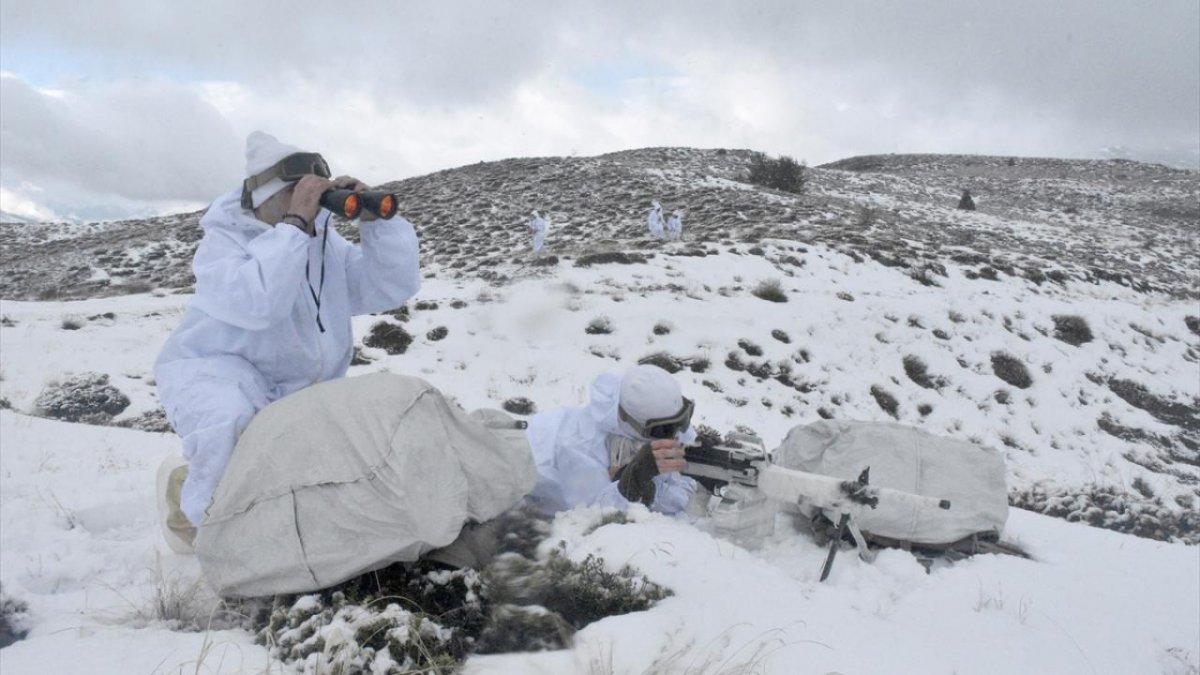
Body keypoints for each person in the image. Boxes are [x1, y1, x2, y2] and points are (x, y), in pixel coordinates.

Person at [154, 131, 421, 533]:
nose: (310, 204)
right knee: (233, 430)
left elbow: (387, 287)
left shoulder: (321, 245)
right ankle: (215, 539)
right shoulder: (223, 244)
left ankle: (196, 491)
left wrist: (376, 223)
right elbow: (258, 304)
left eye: (313, 194)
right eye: (296, 194)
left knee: (311, 468)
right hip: (213, 371)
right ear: (265, 198)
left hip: (298, 382)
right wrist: (295, 225)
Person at [524, 364, 699, 515]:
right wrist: (631, 485)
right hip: (530, 502)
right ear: (624, 417)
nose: (676, 434)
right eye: (664, 429)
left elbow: (684, 487)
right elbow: (593, 517)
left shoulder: (661, 420)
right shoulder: (578, 446)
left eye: (682, 420)